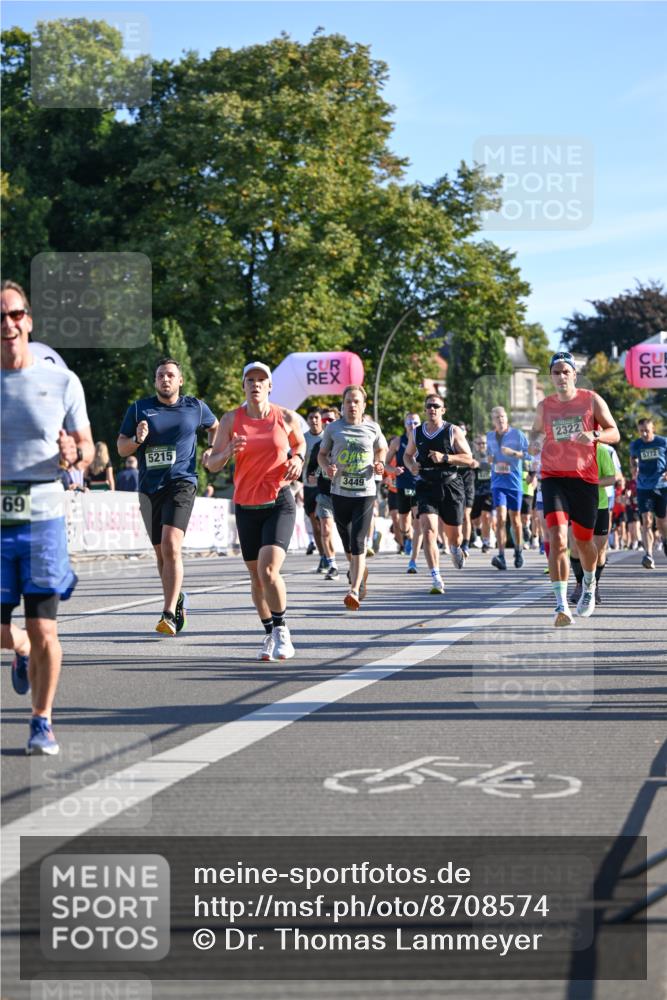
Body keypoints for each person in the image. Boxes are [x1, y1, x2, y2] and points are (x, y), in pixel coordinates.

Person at [1, 279, 94, 755]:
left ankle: (42, 721)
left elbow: (88, 451)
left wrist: (72, 455)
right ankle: (16, 648)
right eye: (1, 318)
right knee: (15, 634)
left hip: (42, 518)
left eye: (16, 315)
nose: (8, 324)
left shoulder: (61, 381)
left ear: (28, 321)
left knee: (45, 629)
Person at [205, 361, 305, 659]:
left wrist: (298, 459)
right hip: (246, 505)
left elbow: (299, 446)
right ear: (244, 385)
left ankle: (283, 631)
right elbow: (211, 464)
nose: (256, 384)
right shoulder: (230, 420)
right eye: (251, 379)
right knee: (256, 577)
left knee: (268, 569)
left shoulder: (285, 417)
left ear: (270, 386)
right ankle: (269, 633)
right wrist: (227, 452)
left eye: (262, 380)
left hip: (279, 501)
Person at [117, 358, 219, 636]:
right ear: (155, 381)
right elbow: (121, 449)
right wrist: (137, 439)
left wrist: (211, 449)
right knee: (161, 552)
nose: (166, 379)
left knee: (172, 545)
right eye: (161, 375)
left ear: (180, 380)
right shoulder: (139, 408)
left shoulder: (195, 407)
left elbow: (215, 427)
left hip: (182, 483)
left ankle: (168, 611)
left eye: (171, 375)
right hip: (150, 489)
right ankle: (178, 598)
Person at [531, 351, 619, 626]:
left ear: (573, 374)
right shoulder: (545, 405)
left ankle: (589, 584)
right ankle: (561, 605)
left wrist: (594, 434)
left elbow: (614, 432)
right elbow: (535, 432)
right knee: (557, 537)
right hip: (553, 476)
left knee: (583, 542)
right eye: (555, 372)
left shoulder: (591, 400)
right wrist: (534, 441)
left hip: (584, 479)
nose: (560, 376)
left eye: (565, 371)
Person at [317, 386, 387, 610]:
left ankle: (354, 590)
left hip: (365, 493)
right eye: (348, 401)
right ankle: (361, 573)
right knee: (348, 545)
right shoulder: (333, 429)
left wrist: (380, 463)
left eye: (356, 401)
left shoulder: (372, 428)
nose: (352, 405)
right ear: (342, 404)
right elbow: (321, 454)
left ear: (364, 405)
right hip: (340, 492)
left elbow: (382, 449)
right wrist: (327, 467)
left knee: (358, 542)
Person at [403, 394, 473, 594]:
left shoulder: (452, 431)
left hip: (451, 484)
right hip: (426, 484)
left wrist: (446, 457)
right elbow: (407, 455)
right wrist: (412, 466)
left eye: (436, 406)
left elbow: (468, 458)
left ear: (443, 410)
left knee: (455, 536)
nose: (432, 409)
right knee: (428, 529)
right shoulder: (416, 433)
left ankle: (454, 549)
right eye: (429, 406)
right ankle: (436, 576)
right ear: (425, 410)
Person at [569, 443, 619, 606]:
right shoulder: (569, 450)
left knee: (599, 550)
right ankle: (579, 584)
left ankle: (593, 585)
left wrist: (591, 482)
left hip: (600, 505)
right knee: (575, 546)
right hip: (576, 505)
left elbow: (612, 478)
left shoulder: (602, 451)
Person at [486, 406, 529, 570]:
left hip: (514, 483)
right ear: (493, 420)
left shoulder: (517, 434)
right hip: (497, 483)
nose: (500, 419)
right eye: (497, 417)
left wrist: (513, 453)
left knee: (516, 520)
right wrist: (489, 458)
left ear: (507, 418)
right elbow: (489, 456)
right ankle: (501, 555)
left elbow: (529, 454)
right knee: (501, 519)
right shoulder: (490, 436)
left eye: (503, 416)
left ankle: (518, 551)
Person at [307, 406, 341, 581]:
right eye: (325, 420)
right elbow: (311, 469)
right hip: (325, 494)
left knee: (348, 535)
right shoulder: (319, 446)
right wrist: (311, 476)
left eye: (331, 420)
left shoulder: (347, 443)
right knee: (326, 530)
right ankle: (332, 564)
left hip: (346, 495)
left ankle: (355, 565)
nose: (327, 423)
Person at [385, 413, 422, 571]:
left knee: (418, 521)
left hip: (420, 486)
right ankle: (407, 536)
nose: (412, 425)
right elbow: (385, 464)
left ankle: (413, 560)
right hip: (402, 486)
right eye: (409, 422)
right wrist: (394, 469)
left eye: (415, 422)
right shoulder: (397, 442)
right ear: (405, 425)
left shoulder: (424, 440)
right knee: (404, 523)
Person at [629, 417, 667, 569]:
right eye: (641, 431)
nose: (644, 434)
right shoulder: (636, 444)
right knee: (646, 520)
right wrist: (633, 468)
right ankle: (649, 554)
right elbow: (632, 458)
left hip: (662, 486)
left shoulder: (663, 442)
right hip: (644, 487)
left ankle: (665, 541)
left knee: (662, 522)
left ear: (653, 430)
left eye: (647, 430)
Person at [302, 406, 325, 567]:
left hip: (326, 484)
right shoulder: (302, 439)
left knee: (324, 521)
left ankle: (329, 555)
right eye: (311, 418)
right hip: (308, 484)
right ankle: (323, 556)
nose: (314, 420)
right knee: (315, 523)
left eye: (316, 417)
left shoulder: (329, 437)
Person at [470, 435, 494, 552]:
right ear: (475, 445)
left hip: (489, 491)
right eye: (479, 443)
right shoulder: (472, 457)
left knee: (486, 515)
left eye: (484, 443)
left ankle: (486, 542)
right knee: (475, 520)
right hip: (475, 492)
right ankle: (479, 532)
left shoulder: (491, 456)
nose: (482, 446)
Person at [457, 423, 475, 559]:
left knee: (466, 515)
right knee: (456, 515)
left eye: (463, 429)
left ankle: (466, 544)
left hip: (468, 483)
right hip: (454, 483)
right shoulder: (451, 444)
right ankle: (455, 542)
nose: (461, 432)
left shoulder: (471, 446)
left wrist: (475, 462)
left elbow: (478, 461)